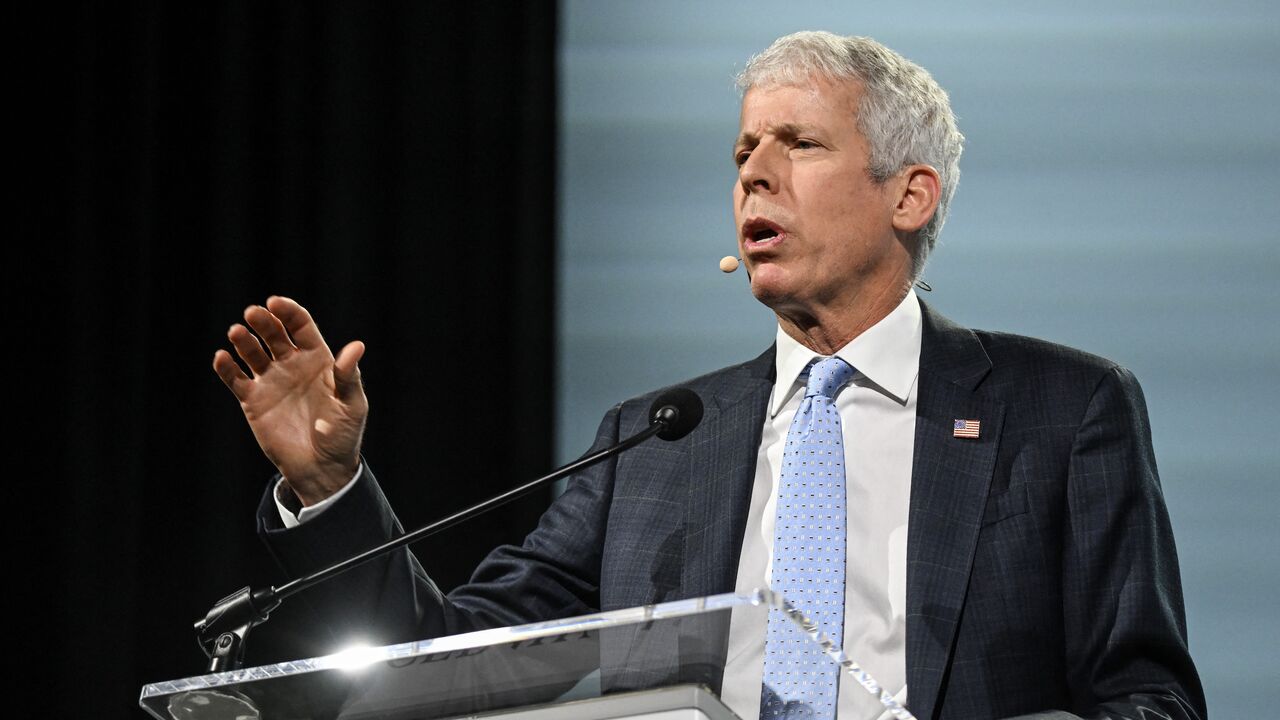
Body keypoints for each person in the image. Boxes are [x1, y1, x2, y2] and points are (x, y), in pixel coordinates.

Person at [214, 31, 1205, 720]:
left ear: (908, 194)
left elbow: (1147, 702)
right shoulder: (652, 442)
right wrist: (330, 485)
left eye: (797, 144)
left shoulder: (1061, 413)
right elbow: (440, 672)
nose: (751, 174)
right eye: (741, 151)